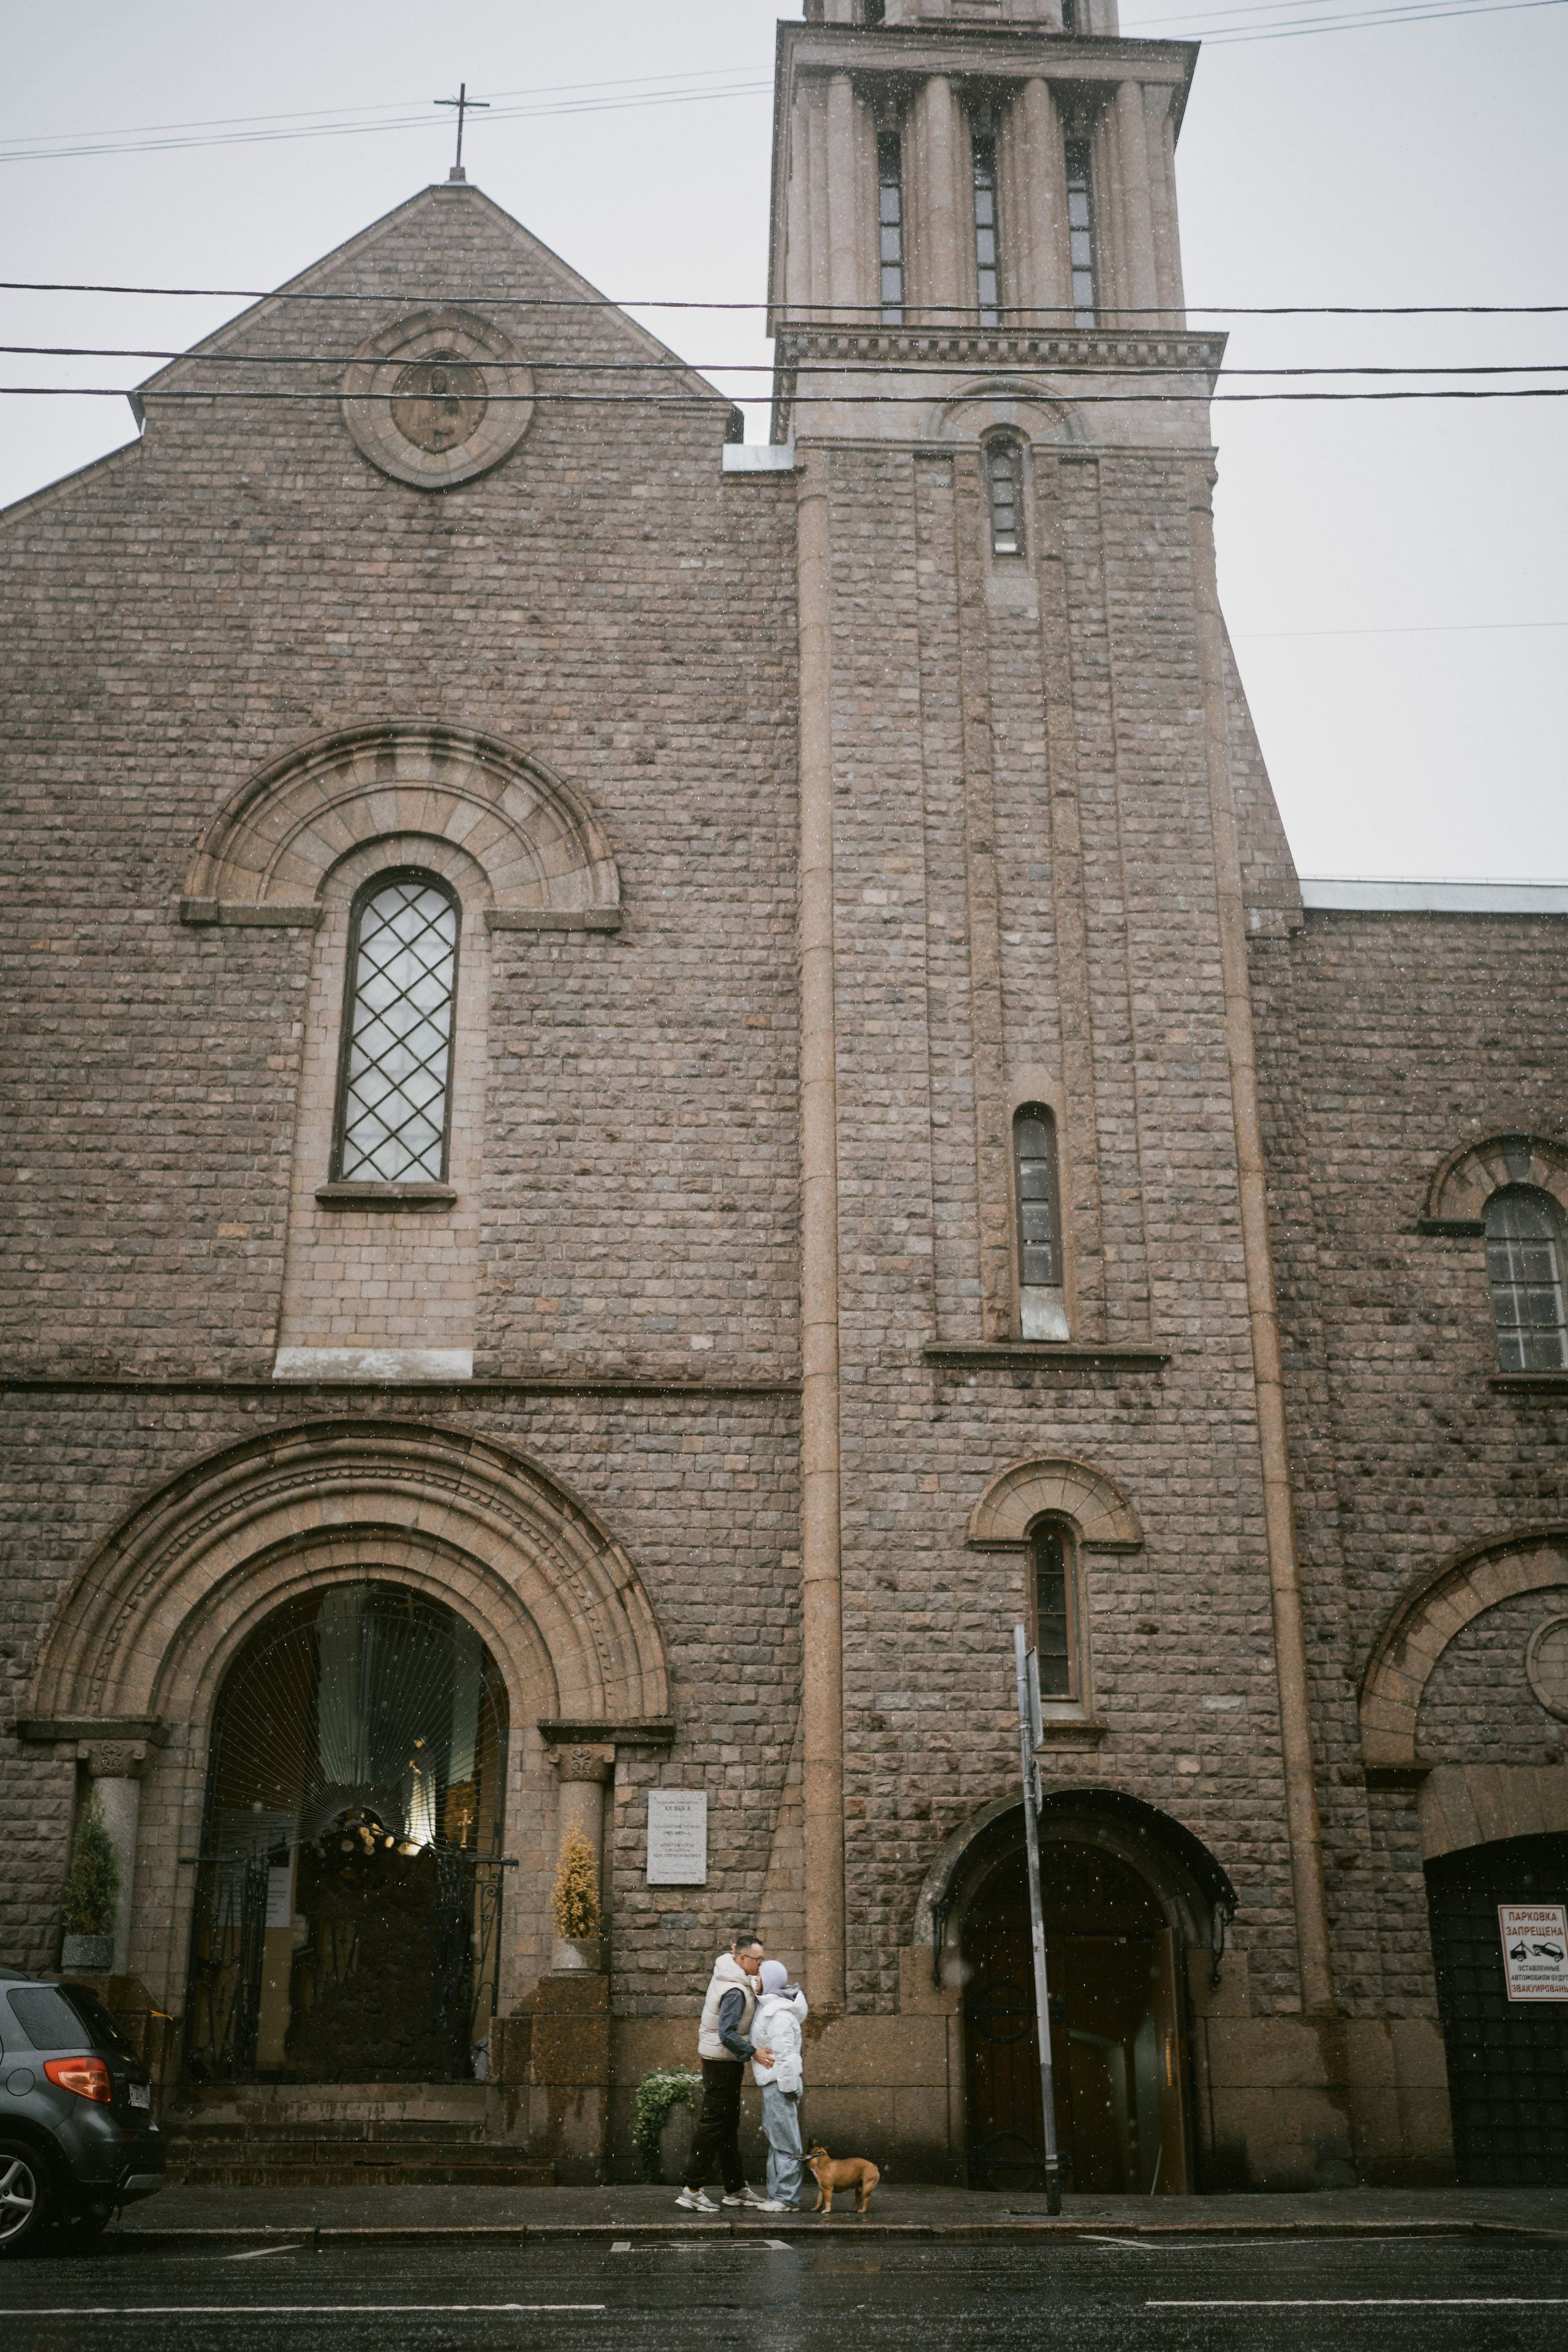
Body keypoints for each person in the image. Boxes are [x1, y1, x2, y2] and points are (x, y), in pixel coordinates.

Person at [676, 1933, 781, 2214]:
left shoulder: (733, 1975)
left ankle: (735, 2188)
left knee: (725, 2126)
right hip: (722, 2063)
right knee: (713, 2125)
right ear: (742, 1958)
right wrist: (753, 2052)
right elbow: (726, 2034)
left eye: (763, 1958)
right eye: (758, 1959)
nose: (761, 1963)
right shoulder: (734, 1990)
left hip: (723, 2062)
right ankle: (692, 2189)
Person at [750, 1958, 808, 2210]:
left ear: (769, 1981)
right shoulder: (771, 2009)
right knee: (779, 2139)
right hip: (776, 2084)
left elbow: (786, 2056)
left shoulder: (778, 2014)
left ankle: (786, 2198)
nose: (756, 1979)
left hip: (780, 2084)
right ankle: (778, 2196)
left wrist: (787, 2088)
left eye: (760, 1976)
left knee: (784, 2141)